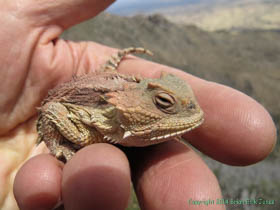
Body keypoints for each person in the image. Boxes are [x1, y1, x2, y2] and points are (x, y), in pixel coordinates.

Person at [0, 0, 276, 209]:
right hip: (83, 100)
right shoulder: (87, 130)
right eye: (164, 103)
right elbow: (52, 110)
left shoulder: (129, 103)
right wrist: (58, 145)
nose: (189, 113)